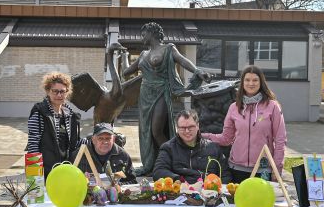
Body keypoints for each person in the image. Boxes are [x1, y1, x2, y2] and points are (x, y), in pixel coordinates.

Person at [121, 22, 210, 173]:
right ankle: (154, 162)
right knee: (146, 131)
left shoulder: (168, 48)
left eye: (144, 34)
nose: (142, 37)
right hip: (145, 95)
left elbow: (183, 60)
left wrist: (197, 71)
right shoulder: (143, 54)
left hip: (161, 91)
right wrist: (123, 56)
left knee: (157, 129)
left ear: (152, 33)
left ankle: (174, 159)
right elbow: (126, 72)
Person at [204, 65, 287, 183]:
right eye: (247, 80)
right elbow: (226, 139)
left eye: (255, 80)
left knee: (261, 201)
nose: (251, 83)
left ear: (261, 82)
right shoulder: (234, 107)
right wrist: (202, 135)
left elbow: (280, 139)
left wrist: (277, 168)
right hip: (237, 168)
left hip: (263, 169)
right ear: (242, 83)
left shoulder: (272, 106)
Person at [26, 72, 83, 177]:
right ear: (48, 91)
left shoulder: (70, 115)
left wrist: (96, 139)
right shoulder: (40, 113)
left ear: (67, 92)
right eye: (55, 91)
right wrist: (34, 179)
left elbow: (75, 143)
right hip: (45, 171)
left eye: (62, 91)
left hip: (64, 170)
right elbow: (33, 145)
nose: (59, 95)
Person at [152, 110, 228, 184]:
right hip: (180, 191)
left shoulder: (213, 148)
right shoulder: (168, 148)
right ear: (177, 129)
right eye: (182, 128)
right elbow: (158, 171)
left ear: (197, 126)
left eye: (190, 127)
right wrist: (177, 179)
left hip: (209, 192)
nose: (187, 131)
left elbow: (225, 175)